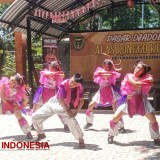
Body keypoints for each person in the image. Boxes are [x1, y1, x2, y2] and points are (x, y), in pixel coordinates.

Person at [107, 60, 160, 145]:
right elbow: (134, 82)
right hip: (128, 100)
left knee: (153, 120)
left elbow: (151, 79)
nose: (138, 69)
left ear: (143, 71)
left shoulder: (145, 76)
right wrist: (144, 82)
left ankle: (156, 138)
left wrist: (144, 81)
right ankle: (111, 135)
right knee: (115, 118)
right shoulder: (129, 75)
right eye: (137, 67)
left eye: (141, 69)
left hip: (141, 101)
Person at [32, 73, 85, 148]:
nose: (72, 84)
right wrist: (67, 111)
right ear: (71, 77)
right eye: (72, 81)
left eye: (75, 84)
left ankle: (80, 139)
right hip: (55, 102)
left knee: (71, 119)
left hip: (64, 105)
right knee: (35, 116)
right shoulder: (64, 83)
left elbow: (82, 101)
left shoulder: (79, 87)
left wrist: (76, 112)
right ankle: (40, 134)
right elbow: (61, 99)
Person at [84, 58, 124, 131]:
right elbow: (96, 74)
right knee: (90, 106)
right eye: (105, 66)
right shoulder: (100, 70)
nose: (106, 68)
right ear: (103, 65)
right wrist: (103, 72)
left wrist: (108, 72)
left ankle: (121, 126)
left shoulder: (112, 72)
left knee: (115, 109)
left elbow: (114, 74)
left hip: (110, 91)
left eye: (108, 67)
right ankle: (89, 123)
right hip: (101, 91)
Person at [30, 61, 66, 129]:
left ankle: (66, 124)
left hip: (53, 93)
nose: (51, 68)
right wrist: (56, 73)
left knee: (58, 109)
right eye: (50, 67)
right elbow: (45, 74)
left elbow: (62, 75)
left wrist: (57, 74)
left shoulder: (59, 74)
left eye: (53, 68)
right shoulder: (46, 72)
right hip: (43, 91)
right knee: (35, 107)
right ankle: (33, 124)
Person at [0, 73, 33, 139]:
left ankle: (28, 132)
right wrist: (9, 106)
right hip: (3, 102)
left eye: (14, 82)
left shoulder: (19, 88)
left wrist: (20, 107)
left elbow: (26, 99)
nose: (11, 82)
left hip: (14, 103)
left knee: (19, 116)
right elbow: (3, 98)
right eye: (11, 79)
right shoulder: (3, 84)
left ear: (17, 84)